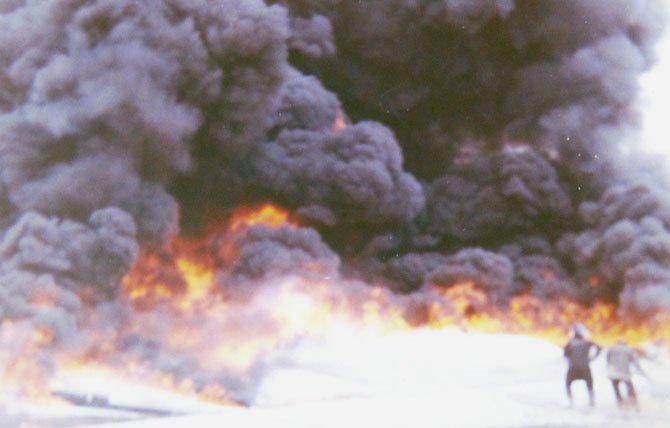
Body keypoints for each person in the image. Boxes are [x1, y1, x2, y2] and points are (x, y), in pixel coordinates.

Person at [563, 325, 601, 406]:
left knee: (568, 384)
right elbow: (599, 347)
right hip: (585, 367)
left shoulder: (570, 343)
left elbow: (565, 354)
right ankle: (591, 401)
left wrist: (571, 357)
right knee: (590, 385)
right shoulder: (586, 342)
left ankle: (571, 401)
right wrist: (593, 357)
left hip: (573, 367)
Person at [606, 339, 645, 409]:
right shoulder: (628, 350)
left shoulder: (612, 349)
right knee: (630, 389)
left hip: (613, 373)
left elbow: (608, 360)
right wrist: (641, 372)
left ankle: (620, 404)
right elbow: (635, 362)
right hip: (624, 373)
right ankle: (634, 404)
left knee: (616, 390)